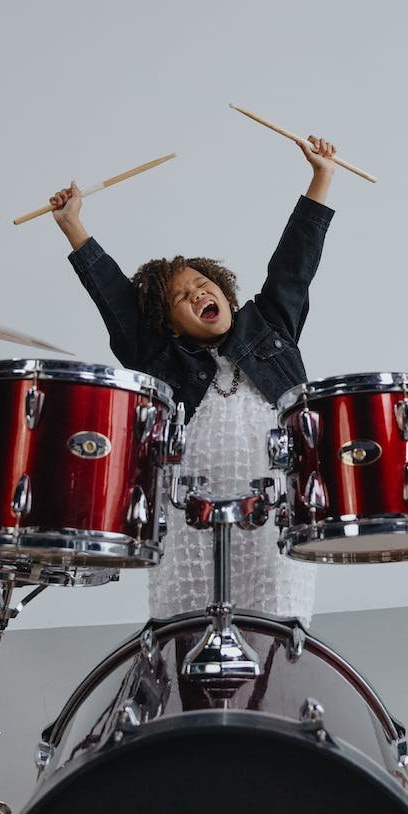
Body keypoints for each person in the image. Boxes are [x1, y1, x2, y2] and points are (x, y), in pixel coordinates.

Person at [50, 136, 336, 627]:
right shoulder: (160, 359)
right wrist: (72, 224)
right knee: (185, 639)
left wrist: (321, 178)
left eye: (204, 283)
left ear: (223, 291)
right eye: (182, 296)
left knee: (274, 640)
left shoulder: (270, 327)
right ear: (169, 325)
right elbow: (116, 300)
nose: (199, 291)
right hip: (190, 527)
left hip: (271, 522)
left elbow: (294, 266)